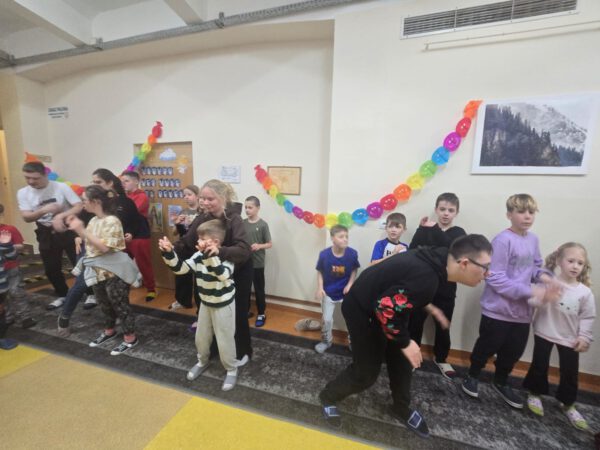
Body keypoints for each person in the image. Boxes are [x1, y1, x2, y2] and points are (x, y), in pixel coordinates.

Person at [319, 234, 493, 438]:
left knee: (403, 361)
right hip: (362, 309)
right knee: (366, 373)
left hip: (386, 305)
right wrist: (405, 342)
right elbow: (385, 308)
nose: (487, 274)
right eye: (485, 267)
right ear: (464, 263)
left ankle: (400, 407)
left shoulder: (439, 258)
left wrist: (428, 307)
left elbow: (403, 284)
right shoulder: (427, 278)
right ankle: (328, 397)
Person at [462, 194, 562, 409]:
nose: (527, 216)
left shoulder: (533, 239)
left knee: (513, 352)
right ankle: (472, 375)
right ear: (509, 214)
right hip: (497, 311)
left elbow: (535, 267)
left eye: (531, 212)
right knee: (486, 347)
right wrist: (531, 291)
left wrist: (545, 278)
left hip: (522, 313)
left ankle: (500, 381)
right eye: (521, 211)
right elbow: (494, 277)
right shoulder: (502, 240)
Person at [176, 179, 253, 363]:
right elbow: (188, 242)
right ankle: (214, 348)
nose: (205, 202)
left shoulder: (234, 220)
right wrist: (171, 249)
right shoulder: (203, 218)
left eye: (210, 199)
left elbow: (244, 250)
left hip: (238, 271)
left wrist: (220, 251)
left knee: (237, 313)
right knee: (210, 311)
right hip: (212, 273)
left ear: (223, 198)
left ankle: (242, 351)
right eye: (202, 198)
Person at [159, 220, 240, 391]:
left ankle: (231, 369)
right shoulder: (198, 255)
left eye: (202, 239)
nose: (198, 242)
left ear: (215, 242)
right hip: (206, 303)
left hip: (223, 304)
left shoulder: (227, 257)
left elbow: (222, 275)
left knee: (225, 339)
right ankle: (202, 361)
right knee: (201, 337)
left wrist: (209, 257)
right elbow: (181, 269)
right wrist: (169, 253)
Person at [523, 242, 595, 430]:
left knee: (570, 372)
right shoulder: (549, 283)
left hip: (570, 337)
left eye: (580, 263)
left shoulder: (585, 292)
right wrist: (545, 297)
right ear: (559, 261)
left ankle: (568, 403)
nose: (575, 266)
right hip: (544, 331)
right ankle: (535, 393)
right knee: (539, 365)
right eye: (571, 261)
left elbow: (587, 316)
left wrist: (584, 337)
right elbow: (532, 301)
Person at [66, 185, 140, 356]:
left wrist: (81, 230)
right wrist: (79, 236)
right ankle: (109, 330)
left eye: (85, 200)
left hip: (115, 271)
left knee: (119, 304)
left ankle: (130, 337)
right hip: (97, 270)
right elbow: (91, 241)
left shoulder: (112, 221)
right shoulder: (93, 221)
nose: (83, 203)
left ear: (96, 201)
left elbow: (105, 247)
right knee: (104, 303)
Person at [408, 193, 466, 379]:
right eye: (442, 209)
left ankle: (441, 358)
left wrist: (434, 232)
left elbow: (455, 252)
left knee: (443, 325)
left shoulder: (458, 232)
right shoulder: (427, 229)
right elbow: (413, 250)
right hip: (423, 286)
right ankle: (412, 356)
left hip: (446, 289)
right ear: (436, 210)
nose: (446, 213)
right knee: (415, 323)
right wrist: (421, 229)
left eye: (451, 210)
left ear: (456, 212)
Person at [17, 161, 82, 309]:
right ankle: (63, 294)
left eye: (35, 178)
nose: (31, 181)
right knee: (51, 268)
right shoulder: (23, 192)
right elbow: (26, 217)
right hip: (45, 232)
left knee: (79, 263)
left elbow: (78, 206)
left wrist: (61, 216)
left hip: (68, 229)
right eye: (27, 178)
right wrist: (44, 210)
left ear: (45, 174)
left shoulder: (61, 187)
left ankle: (91, 294)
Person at [93, 169, 156, 302]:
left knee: (143, 263)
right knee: (121, 263)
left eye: (127, 181)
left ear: (136, 182)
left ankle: (151, 289)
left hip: (139, 234)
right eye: (122, 181)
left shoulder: (140, 197)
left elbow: (129, 213)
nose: (123, 184)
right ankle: (123, 288)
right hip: (123, 235)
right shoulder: (119, 197)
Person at [314, 224, 359, 354]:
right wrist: (320, 287)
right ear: (333, 238)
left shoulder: (352, 254)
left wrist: (350, 284)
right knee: (327, 319)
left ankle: (353, 342)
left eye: (346, 236)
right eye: (341, 236)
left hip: (346, 292)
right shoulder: (324, 255)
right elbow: (320, 271)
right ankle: (326, 341)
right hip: (329, 292)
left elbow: (354, 269)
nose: (345, 239)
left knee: (351, 319)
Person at [170, 185, 201, 311]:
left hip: (198, 247)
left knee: (199, 277)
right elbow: (174, 233)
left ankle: (201, 304)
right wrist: (177, 223)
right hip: (184, 247)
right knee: (182, 275)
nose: (186, 197)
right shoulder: (183, 212)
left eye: (189, 194)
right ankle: (183, 301)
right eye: (184, 195)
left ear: (197, 196)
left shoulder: (202, 212)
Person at [243, 196, 272, 327]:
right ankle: (245, 310)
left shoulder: (263, 225)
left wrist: (259, 246)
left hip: (257, 263)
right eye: (246, 207)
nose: (247, 210)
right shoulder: (242, 223)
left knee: (259, 289)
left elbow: (269, 244)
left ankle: (261, 313)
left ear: (258, 208)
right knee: (245, 289)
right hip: (244, 262)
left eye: (250, 207)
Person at [0, 204, 26, 324]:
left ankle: (24, 316)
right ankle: (8, 316)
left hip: (11, 267)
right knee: (3, 295)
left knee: (16, 291)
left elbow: (20, 246)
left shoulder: (10, 229)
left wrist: (7, 246)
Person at [0, 230, 18, 350]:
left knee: (1, 313)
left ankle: (1, 338)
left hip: (1, 287)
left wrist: (7, 244)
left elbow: (12, 257)